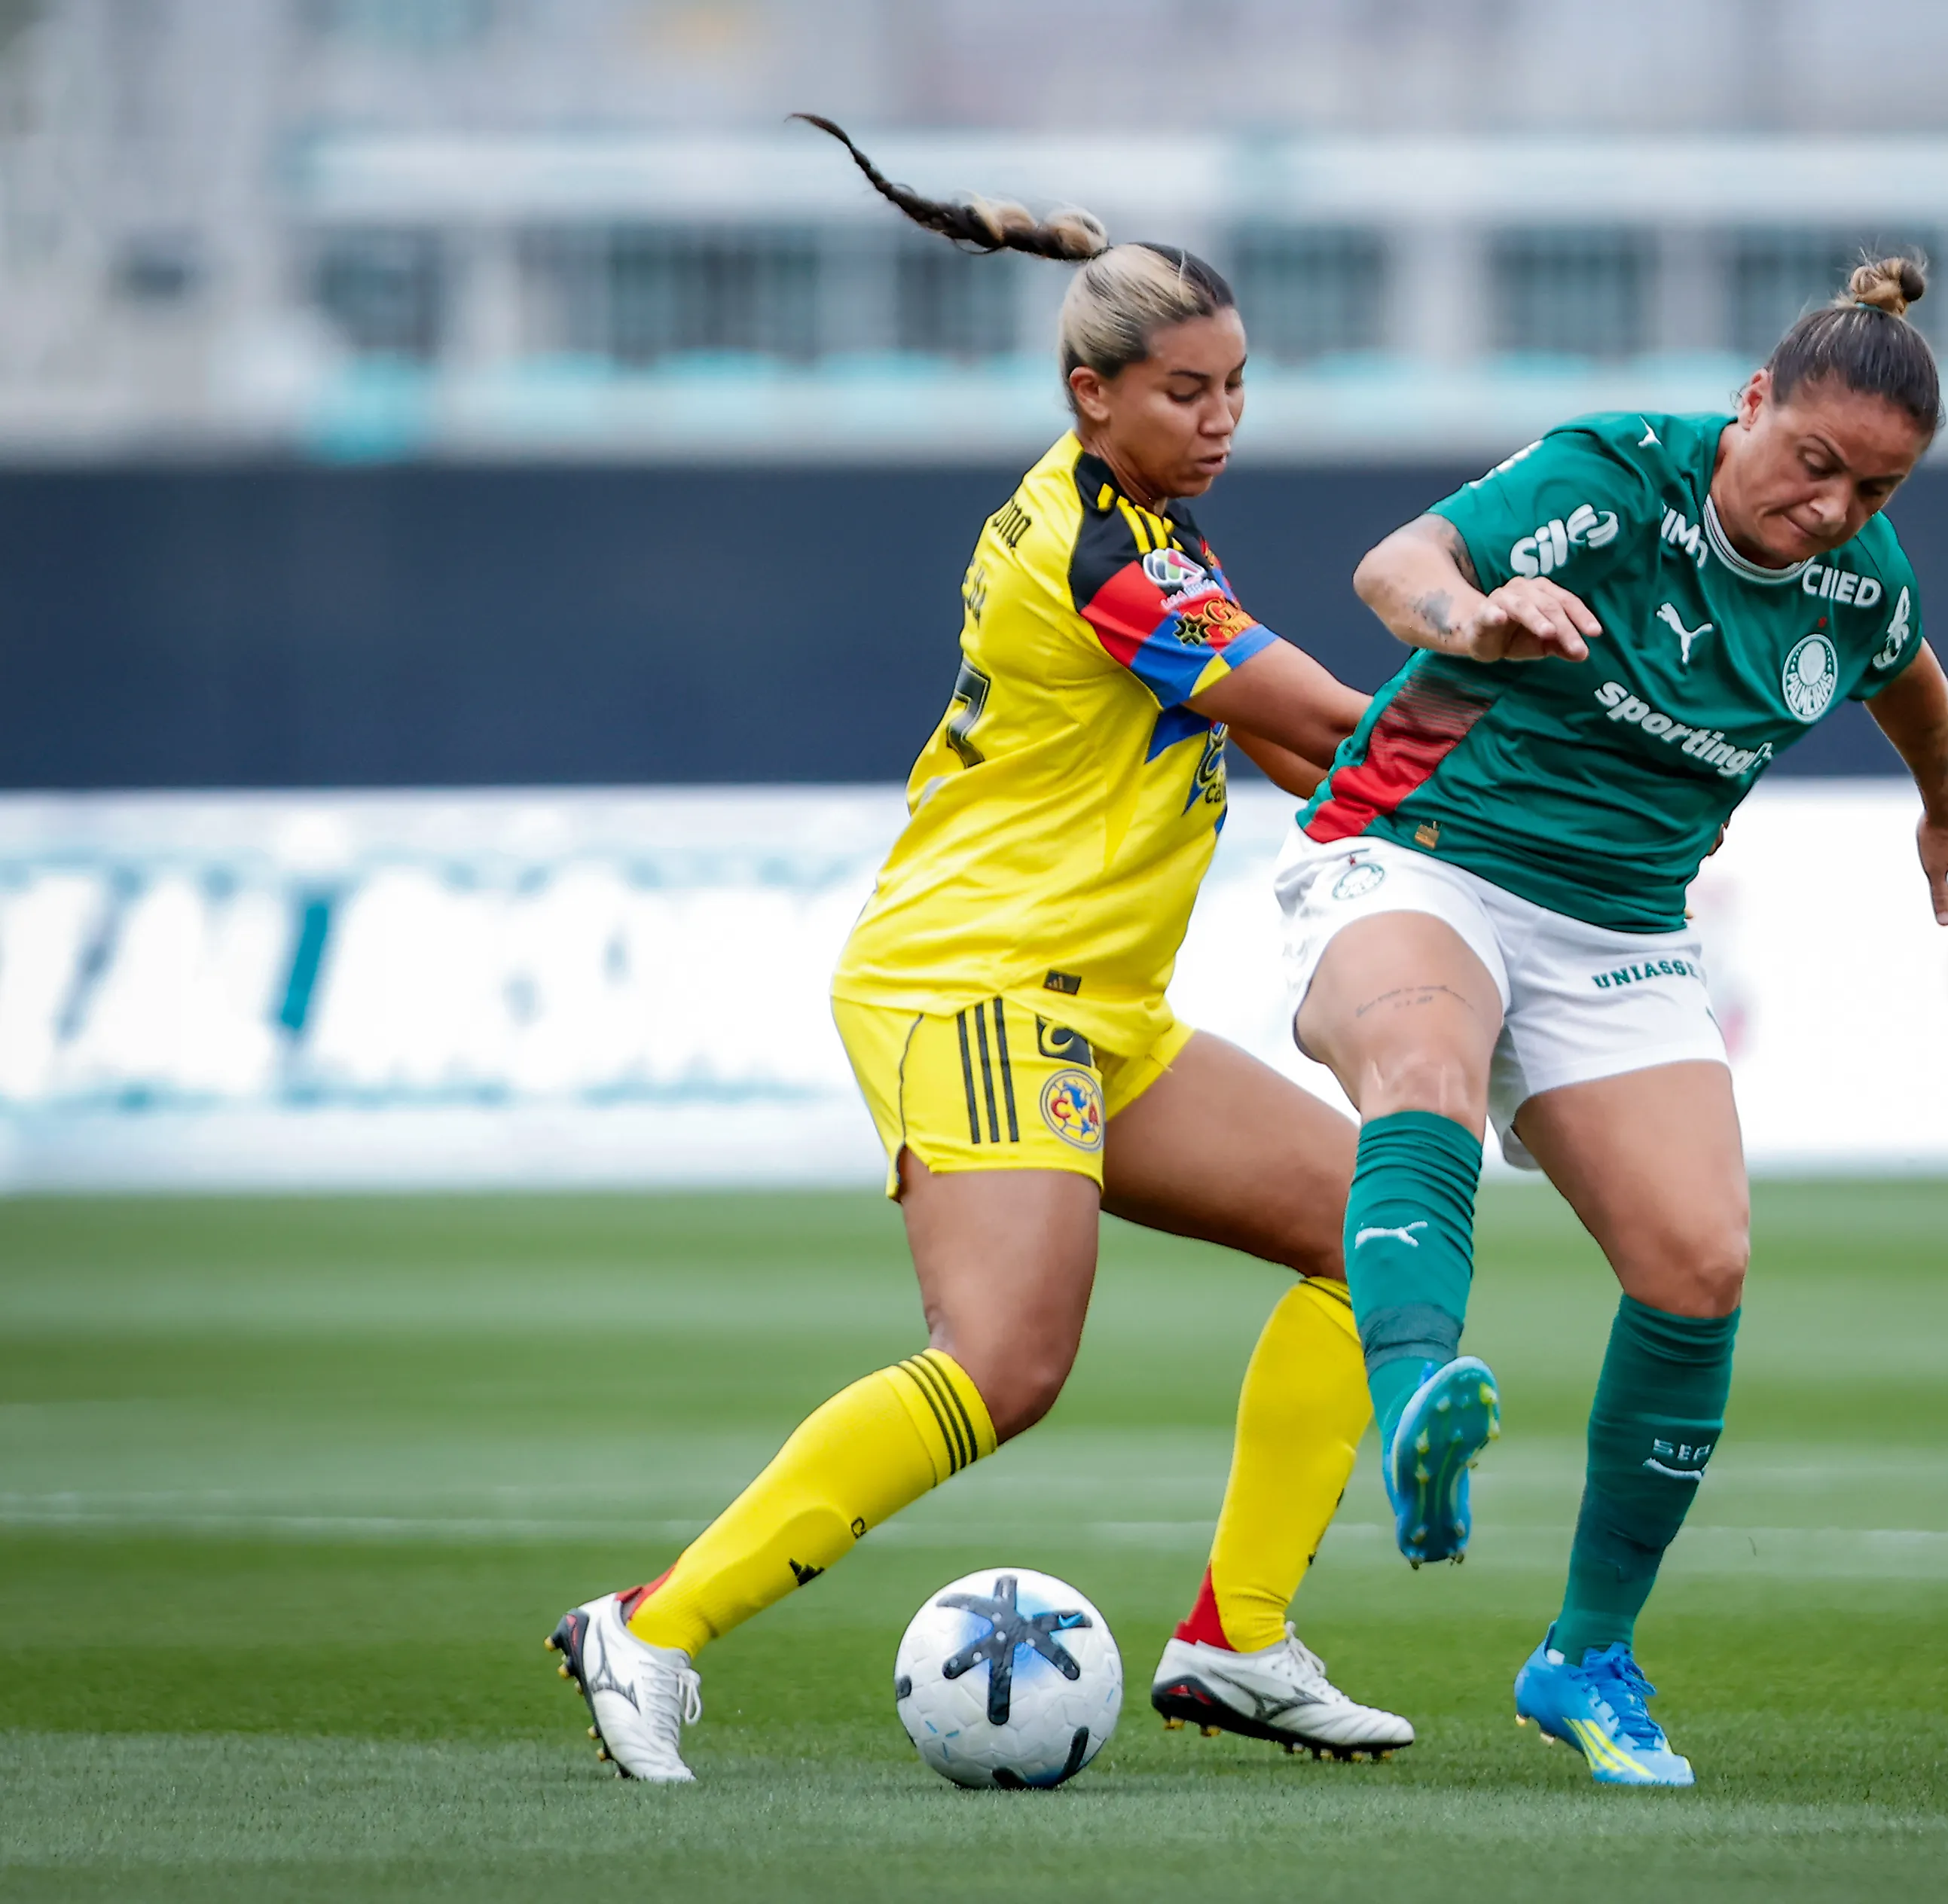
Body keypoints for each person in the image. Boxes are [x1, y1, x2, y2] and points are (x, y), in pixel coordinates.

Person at [548, 118, 1404, 1782]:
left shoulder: (1151, 533)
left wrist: (1454, 822)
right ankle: (648, 1626)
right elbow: (1321, 725)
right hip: (981, 987)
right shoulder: (1105, 553)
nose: (1220, 418)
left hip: (1093, 1005)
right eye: (1184, 392)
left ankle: (1237, 1638)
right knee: (1005, 1362)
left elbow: (1296, 749)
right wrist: (1545, 745)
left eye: (1235, 387)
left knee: (1369, 1229)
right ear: (1092, 394)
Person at [1278, 254, 1948, 1787]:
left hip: (1620, 926)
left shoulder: (1859, 581)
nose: (1832, 506)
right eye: (1812, 460)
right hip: (1417, 846)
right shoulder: (1616, 478)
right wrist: (1474, 615)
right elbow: (1393, 565)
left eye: (1874, 489)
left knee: (1699, 1265)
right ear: (1750, 402)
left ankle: (1585, 1655)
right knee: (1422, 1066)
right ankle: (1415, 1396)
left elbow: (1901, 669)